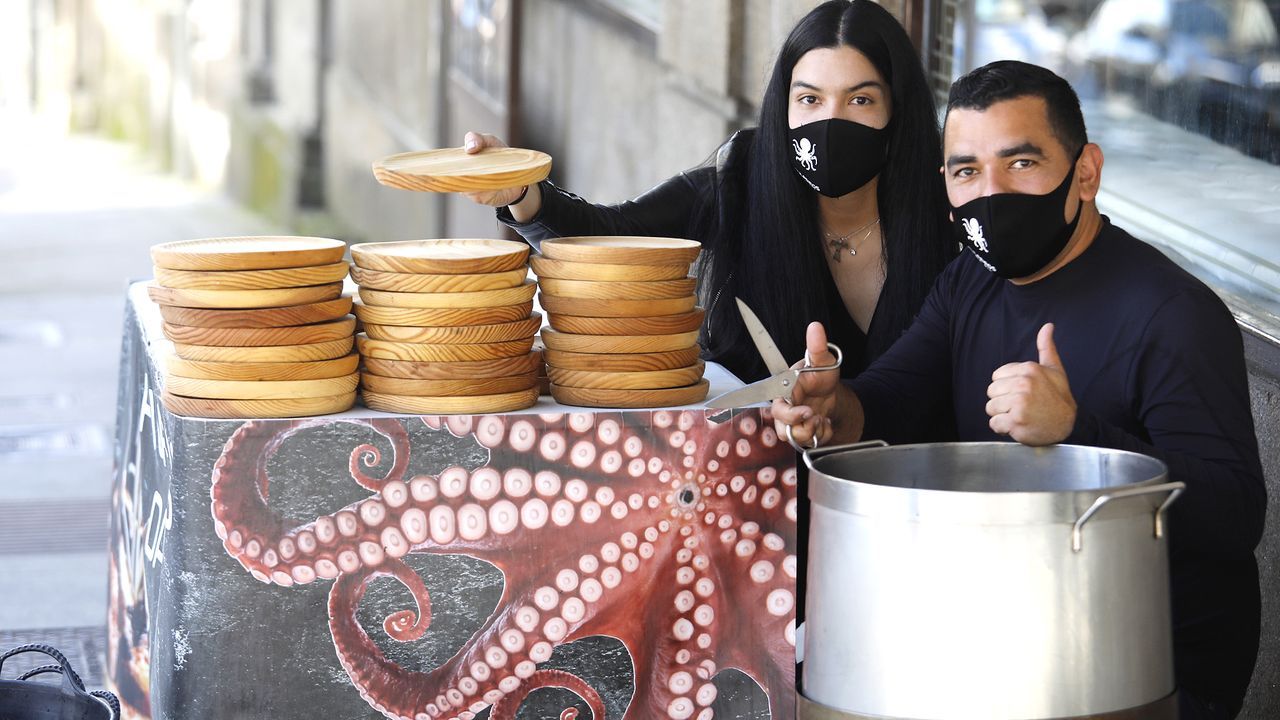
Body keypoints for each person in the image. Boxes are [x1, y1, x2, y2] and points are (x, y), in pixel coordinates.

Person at [774, 60, 1266, 719]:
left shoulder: (1171, 314)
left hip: (1144, 671)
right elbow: (890, 396)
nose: (991, 193)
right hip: (1002, 639)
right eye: (966, 170)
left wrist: (1078, 433)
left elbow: (1236, 518)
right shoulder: (969, 283)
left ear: (1085, 172)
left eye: (1022, 163)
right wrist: (833, 409)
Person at [462, 0, 957, 387]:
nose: (831, 120)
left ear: (898, 109)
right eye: (809, 99)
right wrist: (521, 190)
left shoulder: (949, 205)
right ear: (781, 108)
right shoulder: (741, 180)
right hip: (755, 478)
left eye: (861, 99)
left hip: (907, 486)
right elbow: (613, 235)